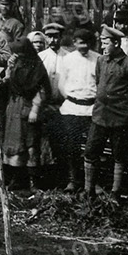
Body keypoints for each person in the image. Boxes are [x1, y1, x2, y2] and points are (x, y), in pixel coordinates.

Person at [85, 25, 128, 199]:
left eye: (105, 43)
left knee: (119, 155)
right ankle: (89, 191)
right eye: (102, 43)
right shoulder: (101, 61)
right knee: (91, 151)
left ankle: (115, 193)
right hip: (100, 115)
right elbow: (99, 85)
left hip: (120, 118)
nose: (102, 47)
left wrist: (123, 110)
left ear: (116, 43)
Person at [0, 37, 49, 190]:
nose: (16, 54)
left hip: (28, 107)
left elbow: (41, 90)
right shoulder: (15, 64)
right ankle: (17, 178)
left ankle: (34, 181)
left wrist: (35, 109)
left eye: (19, 52)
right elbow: (8, 82)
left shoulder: (37, 66)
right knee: (15, 143)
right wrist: (9, 69)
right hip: (14, 106)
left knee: (30, 144)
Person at [53, 28, 98, 193]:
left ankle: (91, 183)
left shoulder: (98, 59)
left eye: (86, 43)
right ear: (74, 43)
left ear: (91, 43)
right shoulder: (68, 60)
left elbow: (100, 85)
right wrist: (73, 99)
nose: (83, 46)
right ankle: (73, 180)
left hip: (91, 109)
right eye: (80, 43)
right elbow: (61, 84)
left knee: (91, 148)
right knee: (72, 147)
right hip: (71, 109)